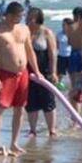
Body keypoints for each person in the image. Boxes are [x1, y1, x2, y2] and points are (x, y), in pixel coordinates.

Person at [0, 2, 40, 155]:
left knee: (20, 108)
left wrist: (37, 71)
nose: (20, 18)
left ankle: (14, 143)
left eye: (21, 16)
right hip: (5, 73)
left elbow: (30, 51)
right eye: (18, 16)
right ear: (9, 15)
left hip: (22, 73)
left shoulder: (24, 29)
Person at [25, 8, 58, 137]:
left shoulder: (46, 33)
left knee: (48, 100)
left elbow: (53, 53)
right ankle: (32, 130)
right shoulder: (25, 32)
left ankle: (52, 130)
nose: (29, 19)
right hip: (28, 72)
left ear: (39, 18)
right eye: (28, 16)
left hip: (44, 72)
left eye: (32, 17)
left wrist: (53, 71)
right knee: (30, 101)